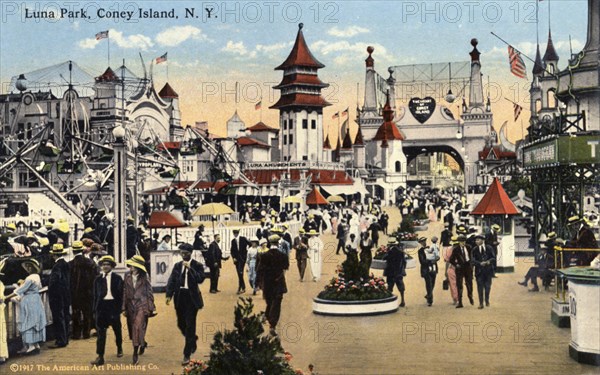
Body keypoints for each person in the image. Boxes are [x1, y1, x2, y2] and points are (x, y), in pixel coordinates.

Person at [166, 244, 205, 365]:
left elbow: (200, 279)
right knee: (181, 324)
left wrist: (190, 269)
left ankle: (186, 354)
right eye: (182, 253)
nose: (184, 255)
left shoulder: (197, 265)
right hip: (180, 297)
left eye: (186, 253)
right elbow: (172, 280)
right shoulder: (177, 266)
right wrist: (169, 295)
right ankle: (192, 339)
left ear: (191, 253)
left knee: (190, 325)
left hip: (192, 298)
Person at [4, 259, 46, 355]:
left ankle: (30, 346)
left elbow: (19, 290)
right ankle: (36, 344)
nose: (26, 269)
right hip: (36, 299)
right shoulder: (37, 276)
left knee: (27, 323)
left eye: (27, 267)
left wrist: (7, 296)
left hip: (28, 301)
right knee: (35, 322)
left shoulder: (29, 278)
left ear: (30, 268)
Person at [123, 255, 156, 365]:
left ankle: (135, 353)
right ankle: (142, 343)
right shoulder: (127, 275)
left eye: (132, 265)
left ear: (137, 267)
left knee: (137, 326)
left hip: (142, 304)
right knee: (133, 329)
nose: (130, 267)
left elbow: (149, 291)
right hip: (130, 305)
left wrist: (151, 306)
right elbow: (125, 292)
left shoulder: (144, 276)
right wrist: (123, 307)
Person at [91, 256, 124, 366]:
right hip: (102, 307)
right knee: (101, 333)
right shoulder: (97, 279)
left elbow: (121, 295)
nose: (105, 266)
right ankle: (100, 356)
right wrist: (95, 310)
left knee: (117, 329)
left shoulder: (117, 278)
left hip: (113, 306)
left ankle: (119, 347)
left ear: (112, 266)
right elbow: (95, 296)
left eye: (108, 264)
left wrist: (119, 309)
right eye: (104, 264)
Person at [256, 234, 289, 336]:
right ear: (278, 243)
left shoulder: (264, 255)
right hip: (278, 282)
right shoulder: (283, 256)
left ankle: (266, 316)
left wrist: (258, 283)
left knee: (269, 302)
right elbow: (286, 267)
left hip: (268, 283)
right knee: (277, 303)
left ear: (270, 243)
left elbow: (259, 270)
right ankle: (272, 324)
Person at [69, 241, 98, 340]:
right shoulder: (90, 263)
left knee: (76, 313)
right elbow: (96, 276)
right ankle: (86, 333)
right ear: (82, 251)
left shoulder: (71, 264)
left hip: (75, 293)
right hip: (88, 292)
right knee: (87, 312)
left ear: (73, 251)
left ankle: (76, 334)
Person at [48, 243, 71, 348]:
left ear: (54, 255)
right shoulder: (66, 264)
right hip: (66, 294)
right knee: (65, 316)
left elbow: (54, 281)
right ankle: (65, 338)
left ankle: (61, 340)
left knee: (58, 317)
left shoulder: (57, 266)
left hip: (57, 295)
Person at [449, 235, 474, 308]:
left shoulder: (469, 247)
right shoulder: (456, 249)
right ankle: (460, 302)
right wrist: (456, 264)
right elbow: (451, 260)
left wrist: (471, 265)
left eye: (464, 241)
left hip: (468, 267)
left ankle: (470, 296)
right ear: (459, 242)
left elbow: (472, 257)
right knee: (459, 285)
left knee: (469, 283)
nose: (463, 243)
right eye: (461, 242)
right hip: (459, 269)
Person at [471, 235, 495, 309]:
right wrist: (479, 263)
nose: (476, 242)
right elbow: (472, 260)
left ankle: (487, 299)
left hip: (488, 271)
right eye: (476, 240)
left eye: (478, 240)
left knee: (487, 287)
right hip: (479, 271)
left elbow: (493, 257)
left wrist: (488, 261)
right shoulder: (474, 249)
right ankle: (481, 303)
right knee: (480, 287)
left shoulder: (489, 248)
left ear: (482, 240)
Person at [383, 238, 407, 307]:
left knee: (390, 287)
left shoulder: (389, 252)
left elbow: (384, 258)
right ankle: (403, 301)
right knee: (401, 287)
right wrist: (402, 268)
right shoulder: (401, 252)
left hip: (390, 273)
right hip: (398, 272)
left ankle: (389, 303)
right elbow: (404, 262)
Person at [418, 237, 439, 307]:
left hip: (433, 268)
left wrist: (435, 259)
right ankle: (430, 300)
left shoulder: (431, 248)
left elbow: (436, 256)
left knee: (433, 283)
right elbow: (422, 261)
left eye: (424, 241)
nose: (424, 243)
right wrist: (430, 260)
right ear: (420, 243)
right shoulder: (420, 251)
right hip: (426, 270)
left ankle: (428, 294)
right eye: (422, 242)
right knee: (429, 284)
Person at [231, 229, 249, 294]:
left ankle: (240, 288)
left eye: (236, 233)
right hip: (237, 260)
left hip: (242, 258)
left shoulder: (243, 239)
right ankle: (243, 287)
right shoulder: (233, 241)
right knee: (239, 273)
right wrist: (233, 258)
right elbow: (232, 251)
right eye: (234, 233)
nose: (235, 234)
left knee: (240, 272)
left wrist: (247, 252)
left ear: (238, 233)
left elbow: (249, 244)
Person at [443, 236, 459, 305]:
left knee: (453, 285)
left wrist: (446, 271)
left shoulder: (449, 250)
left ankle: (455, 298)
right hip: (459, 269)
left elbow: (447, 261)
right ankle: (458, 298)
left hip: (452, 268)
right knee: (458, 284)